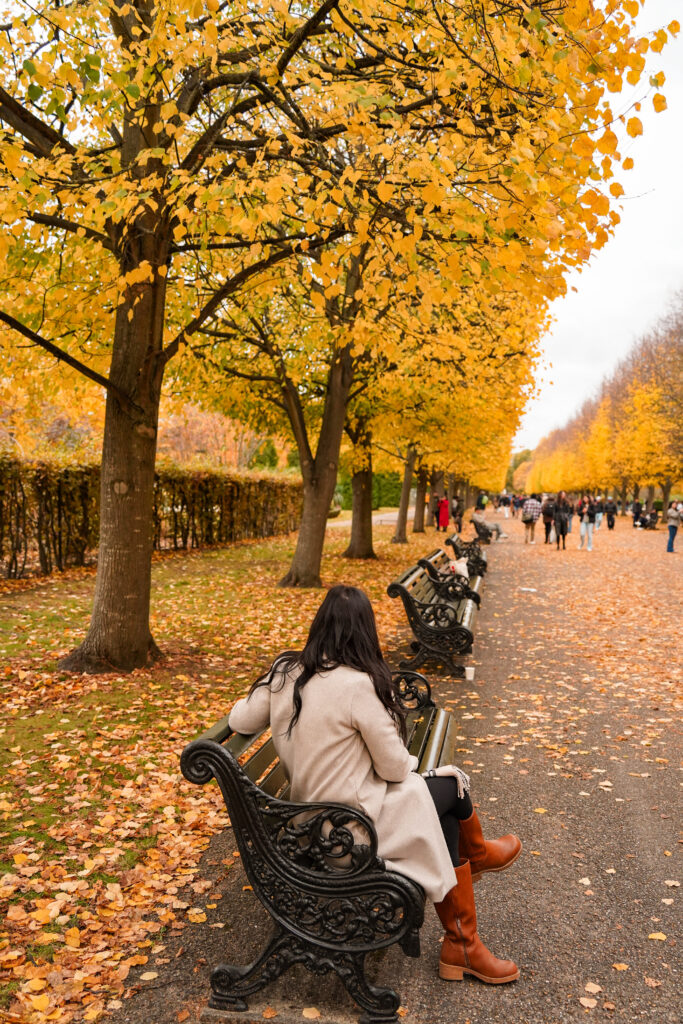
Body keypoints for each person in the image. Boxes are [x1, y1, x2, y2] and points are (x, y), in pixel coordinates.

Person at [228, 586, 521, 984]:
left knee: (444, 801)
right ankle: (466, 919)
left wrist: (269, 683)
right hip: (349, 834)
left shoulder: (285, 673)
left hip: (307, 826)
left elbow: (240, 722)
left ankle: (464, 936)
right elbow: (396, 769)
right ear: (365, 632)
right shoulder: (356, 685)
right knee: (451, 791)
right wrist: (417, 766)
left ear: (319, 626)